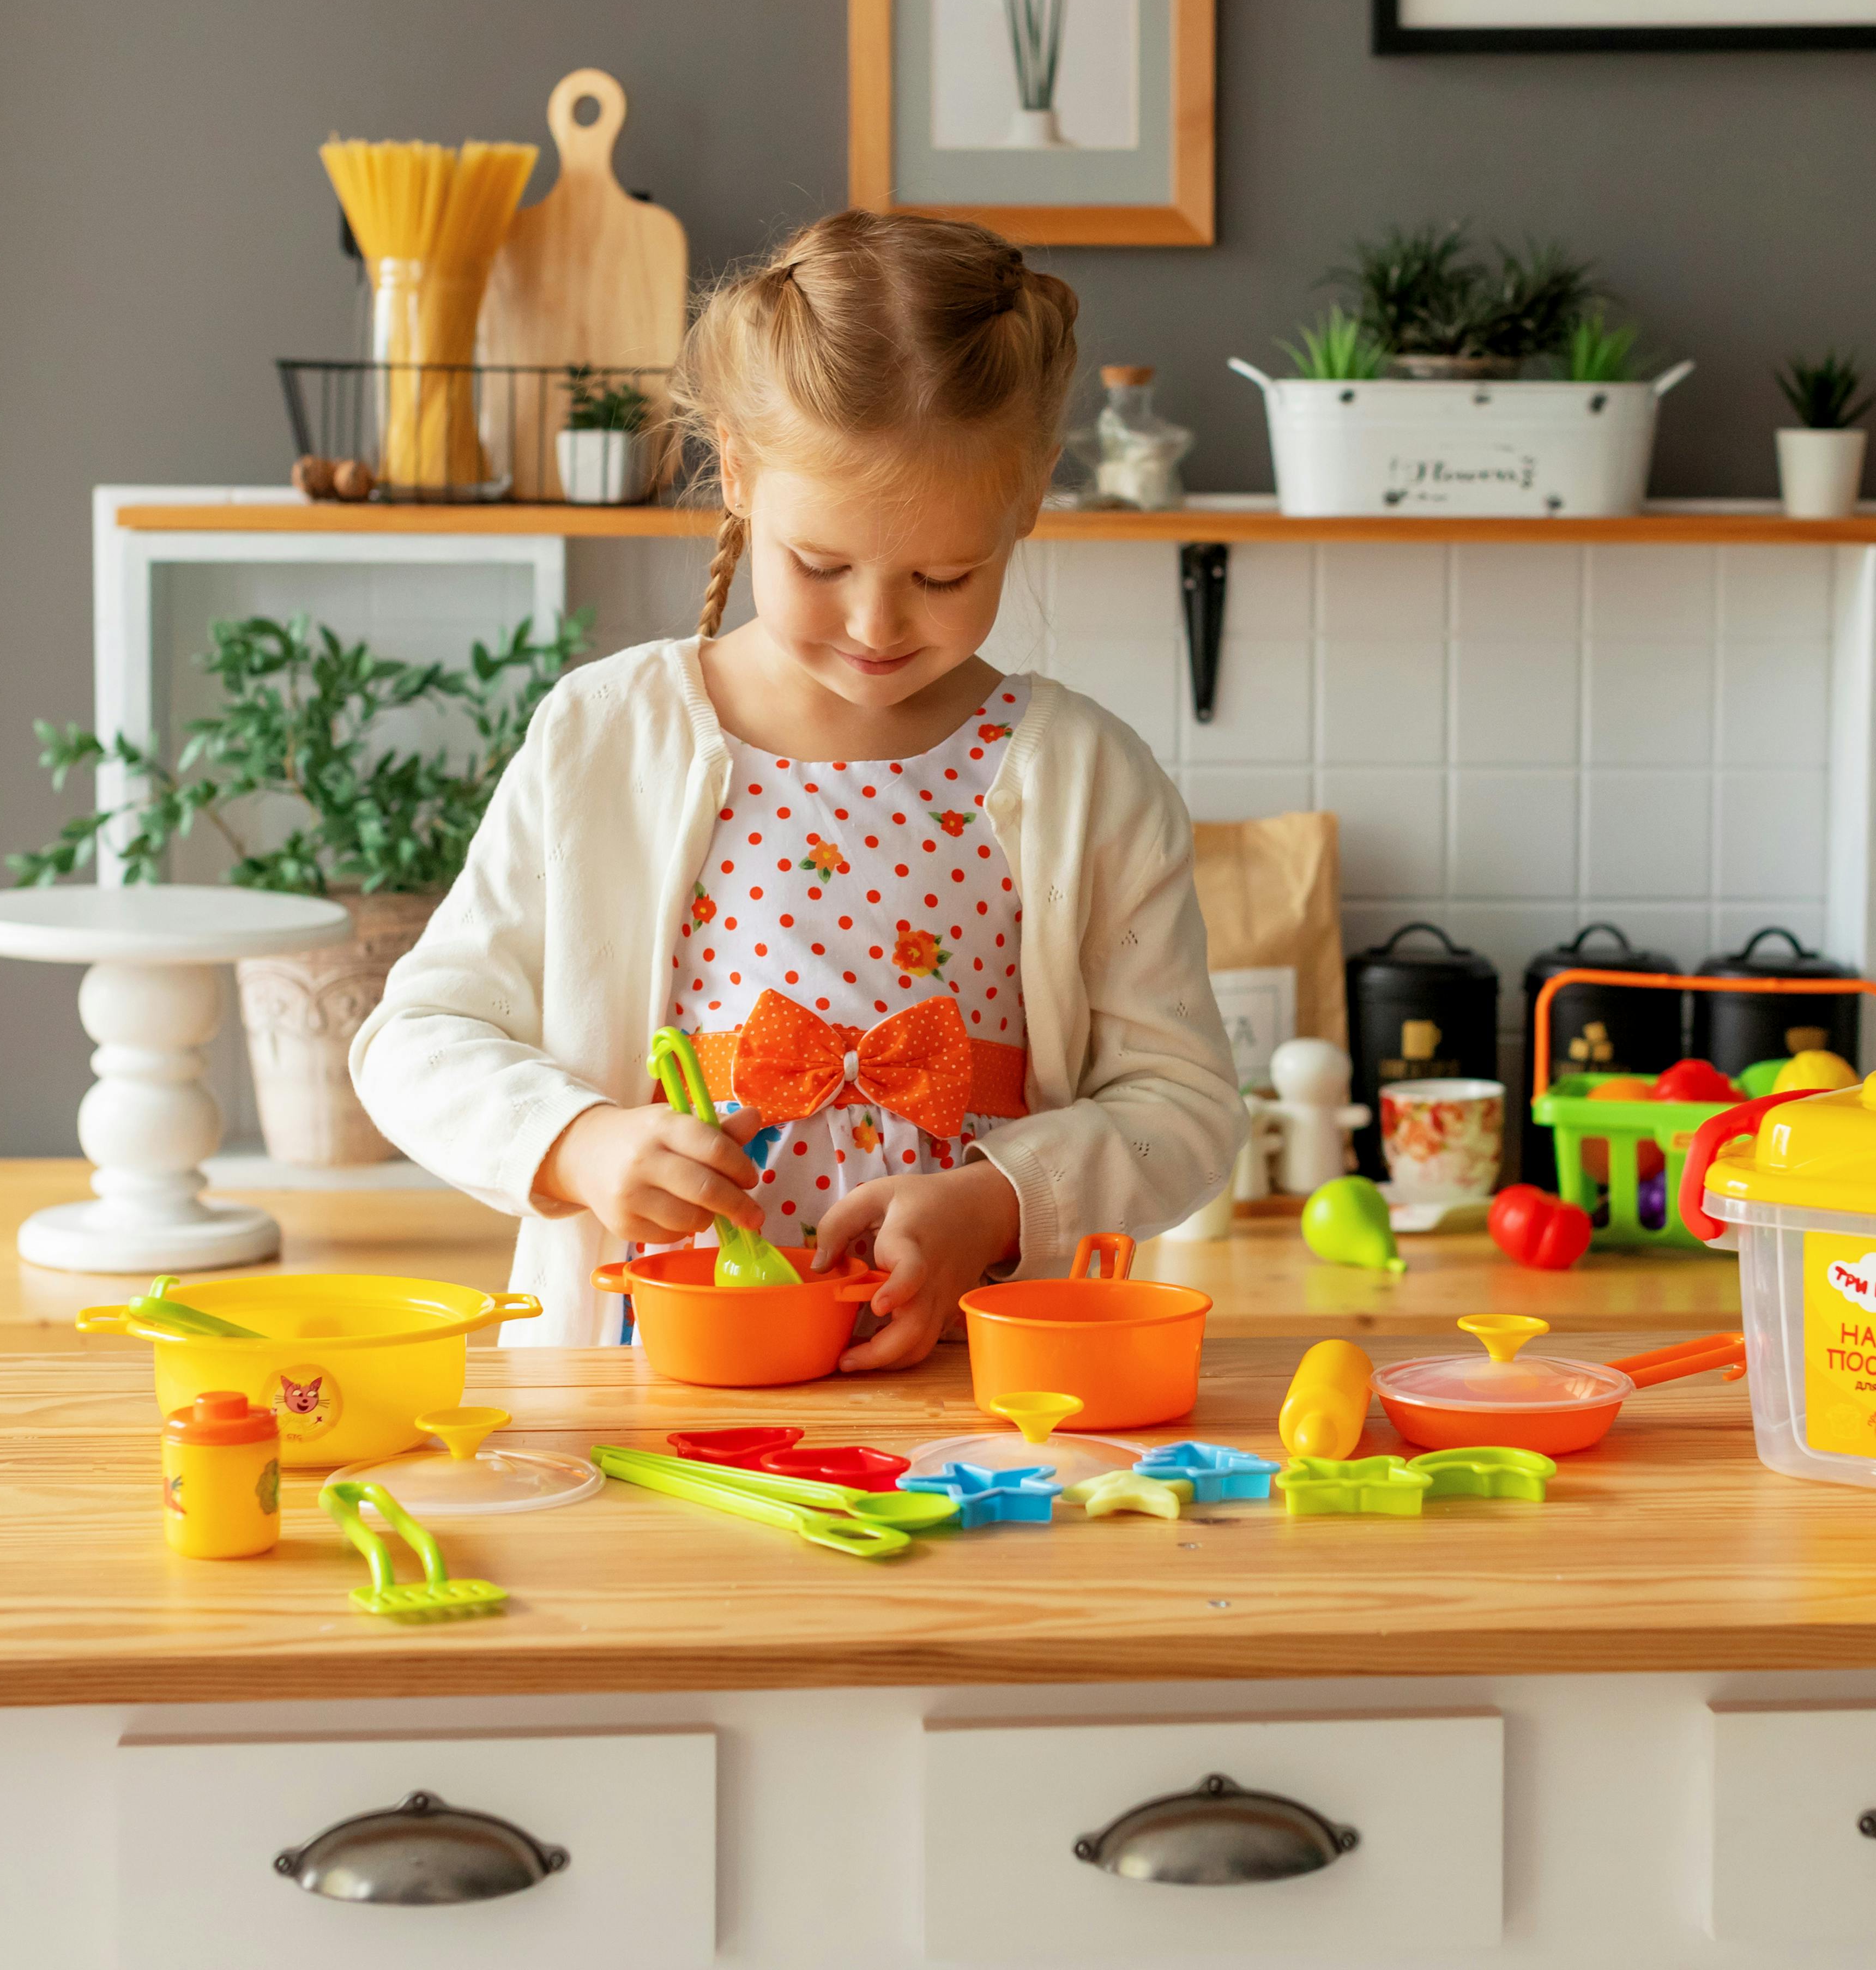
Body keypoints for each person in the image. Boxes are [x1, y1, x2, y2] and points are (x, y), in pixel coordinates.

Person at [351, 210, 1240, 1365]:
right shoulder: (606, 737)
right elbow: (415, 1038)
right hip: (647, 1377)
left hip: (967, 1392)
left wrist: (1001, 1202)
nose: (876, 625)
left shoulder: (1082, 775)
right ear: (735, 469)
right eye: (820, 566)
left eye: (941, 575)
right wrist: (579, 1143)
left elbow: (1185, 1109)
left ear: (1024, 506)